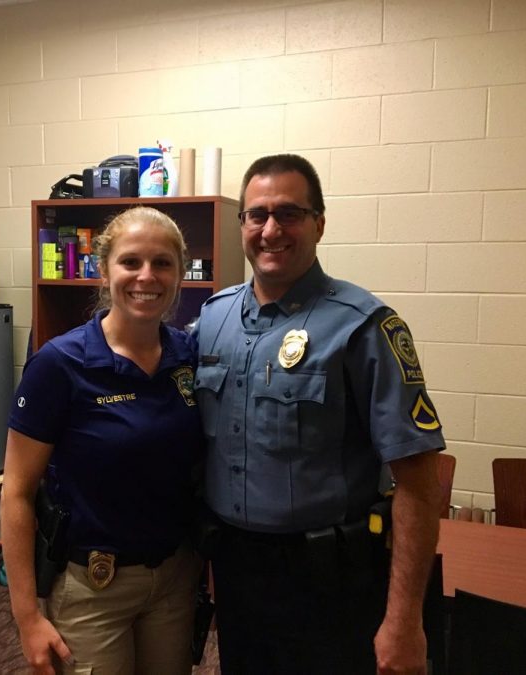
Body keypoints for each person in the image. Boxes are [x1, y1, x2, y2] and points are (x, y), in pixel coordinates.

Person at [193, 154, 445, 675]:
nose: (270, 229)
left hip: (331, 579)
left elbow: (419, 483)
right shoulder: (212, 320)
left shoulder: (364, 326)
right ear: (241, 225)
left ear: (319, 224)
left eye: (289, 213)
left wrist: (404, 618)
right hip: (236, 571)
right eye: (257, 214)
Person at [1, 206, 204, 675]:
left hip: (175, 577)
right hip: (94, 584)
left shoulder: (187, 356)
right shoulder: (60, 364)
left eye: (162, 263)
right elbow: (16, 491)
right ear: (103, 270)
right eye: (131, 262)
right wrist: (26, 615)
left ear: (178, 274)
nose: (146, 276)